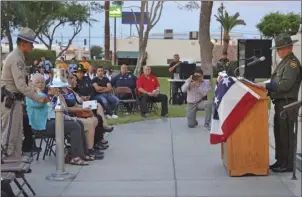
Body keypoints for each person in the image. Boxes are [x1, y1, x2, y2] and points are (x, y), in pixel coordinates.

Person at [1, 27, 49, 159]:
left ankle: (14, 169)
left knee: (16, 140)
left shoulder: (18, 57)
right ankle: (3, 173)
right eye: (31, 43)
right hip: (10, 102)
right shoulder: (16, 58)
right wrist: (38, 98)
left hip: (15, 102)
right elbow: (20, 85)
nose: (32, 47)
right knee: (8, 140)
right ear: (23, 43)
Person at [256, 33, 301, 173]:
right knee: (279, 134)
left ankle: (288, 164)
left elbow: (286, 85)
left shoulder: (292, 64)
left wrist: (267, 86)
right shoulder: (284, 63)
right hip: (280, 103)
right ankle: (280, 160)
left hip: (288, 104)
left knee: (286, 134)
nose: (278, 52)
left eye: (279, 49)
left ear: (288, 48)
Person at [26, 73, 92, 165]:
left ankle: (83, 154)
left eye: (42, 82)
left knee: (78, 122)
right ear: (32, 83)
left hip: (51, 121)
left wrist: (66, 116)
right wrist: (38, 91)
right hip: (41, 126)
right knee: (74, 126)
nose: (40, 84)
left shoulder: (45, 95)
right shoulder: (30, 96)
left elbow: (53, 111)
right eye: (37, 82)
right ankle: (75, 157)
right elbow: (41, 102)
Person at [74, 64, 114, 132]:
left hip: (89, 100)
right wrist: (82, 96)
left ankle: (105, 124)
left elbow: (92, 89)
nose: (80, 74)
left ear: (83, 72)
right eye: (78, 72)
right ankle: (102, 126)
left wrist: (89, 95)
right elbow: (74, 92)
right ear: (76, 73)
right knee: (97, 108)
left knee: (98, 105)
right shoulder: (75, 81)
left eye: (81, 72)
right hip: (81, 103)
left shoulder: (87, 79)